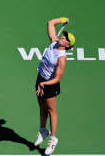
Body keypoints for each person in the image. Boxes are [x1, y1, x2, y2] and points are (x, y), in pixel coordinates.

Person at [34, 17, 75, 155]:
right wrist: (63, 19)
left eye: (65, 38)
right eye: (64, 35)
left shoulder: (62, 58)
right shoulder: (54, 42)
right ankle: (43, 131)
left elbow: (57, 78)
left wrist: (44, 83)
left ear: (68, 45)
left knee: (51, 110)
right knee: (42, 106)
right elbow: (50, 23)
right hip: (40, 78)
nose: (63, 37)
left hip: (50, 84)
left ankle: (52, 139)